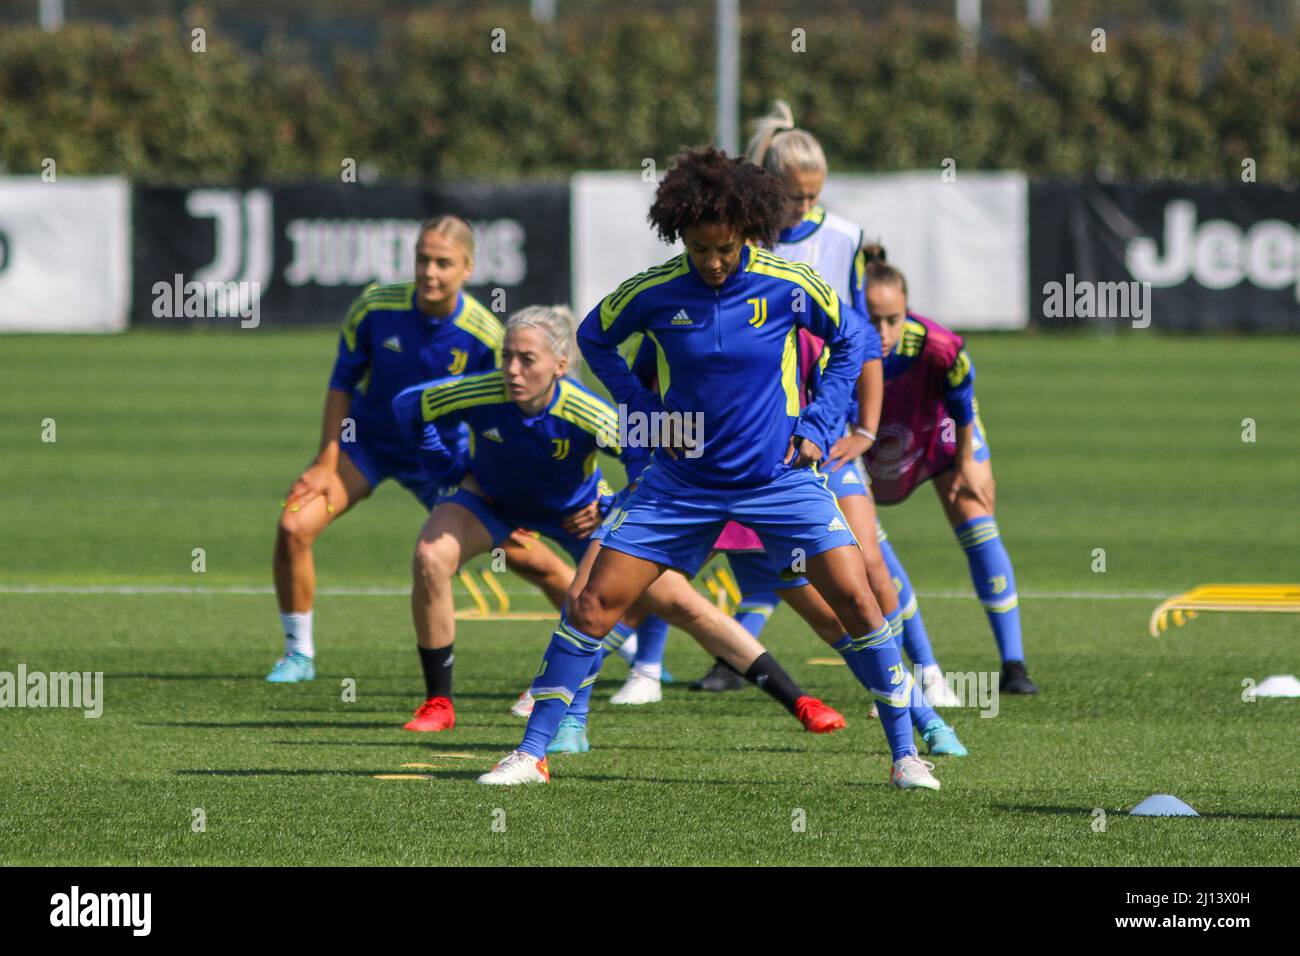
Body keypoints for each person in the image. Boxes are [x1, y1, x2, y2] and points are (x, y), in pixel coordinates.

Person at [478, 147, 941, 789]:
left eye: (725, 248)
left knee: (859, 600)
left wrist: (818, 422)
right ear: (682, 237)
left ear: (748, 233)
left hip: (778, 482)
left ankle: (905, 756)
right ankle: (531, 754)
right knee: (590, 605)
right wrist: (640, 404)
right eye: (700, 249)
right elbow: (593, 337)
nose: (714, 262)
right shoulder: (657, 289)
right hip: (680, 486)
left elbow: (853, 339)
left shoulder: (789, 283)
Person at [391, 304, 846, 742]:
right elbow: (408, 406)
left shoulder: (586, 410)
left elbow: (646, 458)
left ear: (560, 364)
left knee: (682, 604)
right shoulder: (483, 391)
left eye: (526, 359)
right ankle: (439, 704)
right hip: (488, 505)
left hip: (575, 516)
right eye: (506, 357)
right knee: (431, 556)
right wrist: (448, 471)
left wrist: (612, 511)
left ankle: (799, 700)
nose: (512, 370)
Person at [685, 101, 963, 715]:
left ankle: (920, 677)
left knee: (868, 561)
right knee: (693, 554)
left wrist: (865, 426)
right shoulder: (737, 242)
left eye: (813, 195)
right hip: (756, 430)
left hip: (823, 426)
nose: (803, 207)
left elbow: (859, 339)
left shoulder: (846, 241)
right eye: (792, 195)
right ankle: (638, 670)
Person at [270, 216, 575, 684]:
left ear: (468, 268)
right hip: (366, 447)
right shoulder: (375, 307)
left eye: (443, 263)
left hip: (440, 460)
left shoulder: (485, 335)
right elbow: (341, 383)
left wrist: (495, 484)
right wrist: (325, 461)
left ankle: (620, 641)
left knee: (528, 555)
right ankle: (298, 654)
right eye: (422, 259)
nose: (429, 272)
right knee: (293, 525)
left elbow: (502, 413)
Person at [862, 258, 1039, 694]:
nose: (883, 333)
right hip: (872, 436)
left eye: (893, 320)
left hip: (939, 429)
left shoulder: (938, 345)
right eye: (873, 320)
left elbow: (962, 399)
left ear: (908, 310)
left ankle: (1014, 667)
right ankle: (924, 670)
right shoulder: (839, 345)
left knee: (979, 525)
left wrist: (968, 459)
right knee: (867, 550)